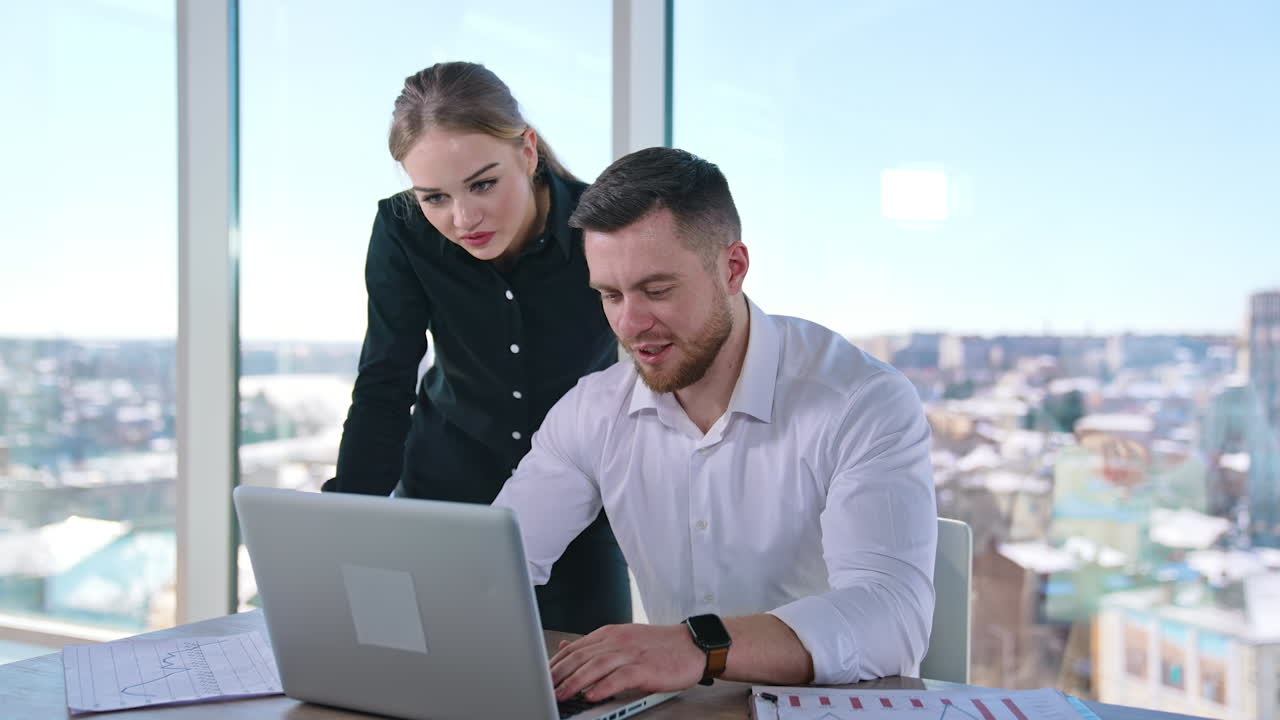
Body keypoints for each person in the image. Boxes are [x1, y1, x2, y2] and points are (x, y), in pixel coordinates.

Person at [493, 147, 938, 699]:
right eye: (610, 295)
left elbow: (891, 617)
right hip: (687, 712)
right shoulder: (592, 412)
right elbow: (494, 569)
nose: (630, 325)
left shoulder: (861, 401)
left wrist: (695, 645)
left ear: (732, 268)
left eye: (657, 290)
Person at [323, 62, 630, 635]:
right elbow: (385, 382)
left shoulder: (604, 225)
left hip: (578, 513)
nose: (463, 219)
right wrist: (345, 526)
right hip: (443, 502)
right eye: (434, 197)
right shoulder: (400, 229)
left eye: (483, 184)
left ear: (528, 152)